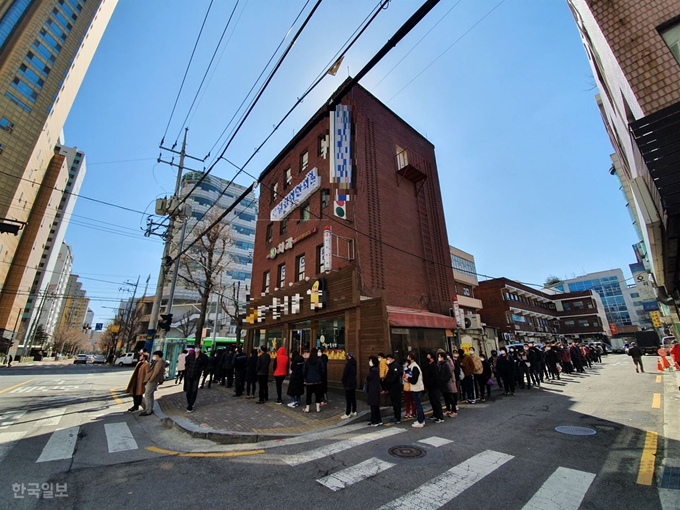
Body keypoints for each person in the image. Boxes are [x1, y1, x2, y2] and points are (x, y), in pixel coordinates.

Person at [140, 351, 165, 416]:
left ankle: (148, 410)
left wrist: (150, 379)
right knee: (150, 395)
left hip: (153, 380)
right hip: (153, 380)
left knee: (147, 395)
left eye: (154, 355)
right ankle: (150, 408)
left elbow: (156, 372)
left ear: (157, 355)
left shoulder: (159, 362)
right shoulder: (158, 361)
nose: (153, 357)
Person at [404, 351, 425, 427]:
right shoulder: (412, 366)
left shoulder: (414, 367)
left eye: (408, 357)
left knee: (418, 405)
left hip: (417, 388)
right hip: (416, 388)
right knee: (418, 404)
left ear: (411, 358)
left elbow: (414, 379)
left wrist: (408, 379)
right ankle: (421, 419)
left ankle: (420, 421)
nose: (407, 358)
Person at [184, 347, 208, 412]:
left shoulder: (203, 357)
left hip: (196, 376)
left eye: (198, 348)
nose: (197, 349)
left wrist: (199, 370)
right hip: (189, 375)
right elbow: (186, 364)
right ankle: (190, 402)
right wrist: (188, 370)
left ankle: (190, 405)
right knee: (188, 390)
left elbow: (205, 365)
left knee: (194, 390)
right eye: (196, 348)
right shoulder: (190, 356)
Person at [303, 347, 325, 413]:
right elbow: (323, 370)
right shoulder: (319, 360)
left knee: (308, 394)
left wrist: (305, 377)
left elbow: (304, 370)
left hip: (309, 381)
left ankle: (307, 408)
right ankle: (318, 408)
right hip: (318, 380)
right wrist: (320, 376)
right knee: (317, 394)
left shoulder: (307, 361)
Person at [384, 353, 403, 424]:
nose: (387, 360)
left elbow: (395, 376)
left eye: (388, 359)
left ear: (392, 359)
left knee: (396, 403)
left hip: (395, 387)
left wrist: (389, 381)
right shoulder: (391, 366)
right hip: (392, 388)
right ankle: (396, 416)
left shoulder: (395, 366)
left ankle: (397, 417)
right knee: (394, 403)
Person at [436, 350, 454, 421]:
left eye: (440, 356)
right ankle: (448, 409)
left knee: (449, 397)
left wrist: (444, 380)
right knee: (445, 397)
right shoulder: (439, 364)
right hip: (442, 383)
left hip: (446, 383)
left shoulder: (446, 364)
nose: (439, 357)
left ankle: (454, 410)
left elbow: (449, 374)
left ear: (443, 357)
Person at [366, 355, 382, 426]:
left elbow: (368, 378)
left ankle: (374, 421)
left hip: (373, 389)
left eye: (370, 361)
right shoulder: (376, 369)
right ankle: (378, 420)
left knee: (373, 406)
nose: (369, 362)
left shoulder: (373, 370)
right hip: (376, 389)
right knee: (376, 406)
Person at [340, 352, 358, 418]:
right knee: (353, 397)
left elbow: (345, 374)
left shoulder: (348, 364)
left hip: (348, 383)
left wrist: (343, 380)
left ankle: (348, 413)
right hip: (353, 382)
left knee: (348, 399)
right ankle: (354, 411)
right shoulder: (354, 363)